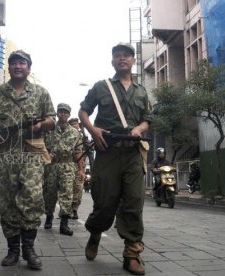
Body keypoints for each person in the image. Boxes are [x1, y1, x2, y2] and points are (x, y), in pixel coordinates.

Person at [0, 50, 55, 270]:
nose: (18, 66)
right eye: (14, 63)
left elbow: (51, 120)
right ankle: (13, 250)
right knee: (8, 201)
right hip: (6, 153)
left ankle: (29, 249)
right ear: (9, 68)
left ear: (29, 67)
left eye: (23, 63)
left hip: (31, 153)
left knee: (32, 198)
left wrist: (40, 125)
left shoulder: (40, 92)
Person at [78, 43, 152, 275]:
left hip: (132, 153)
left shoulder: (141, 91)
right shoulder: (102, 87)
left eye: (127, 56)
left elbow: (147, 119)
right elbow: (83, 111)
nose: (122, 59)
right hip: (107, 151)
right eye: (118, 56)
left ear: (133, 61)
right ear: (112, 61)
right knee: (105, 202)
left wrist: (139, 129)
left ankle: (132, 253)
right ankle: (95, 232)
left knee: (133, 202)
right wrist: (93, 130)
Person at [43, 104, 83, 236]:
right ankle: (49, 216)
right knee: (49, 193)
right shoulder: (49, 130)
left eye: (66, 112)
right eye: (60, 112)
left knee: (67, 193)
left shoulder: (75, 133)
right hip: (51, 166)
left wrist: (81, 170)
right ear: (57, 113)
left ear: (69, 115)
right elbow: (42, 147)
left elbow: (78, 152)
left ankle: (64, 224)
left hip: (67, 166)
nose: (63, 114)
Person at [68, 117, 86, 220]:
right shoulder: (68, 136)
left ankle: (75, 210)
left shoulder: (82, 137)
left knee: (78, 188)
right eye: (73, 124)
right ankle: (66, 210)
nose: (76, 125)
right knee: (68, 188)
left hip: (80, 165)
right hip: (69, 164)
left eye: (77, 124)